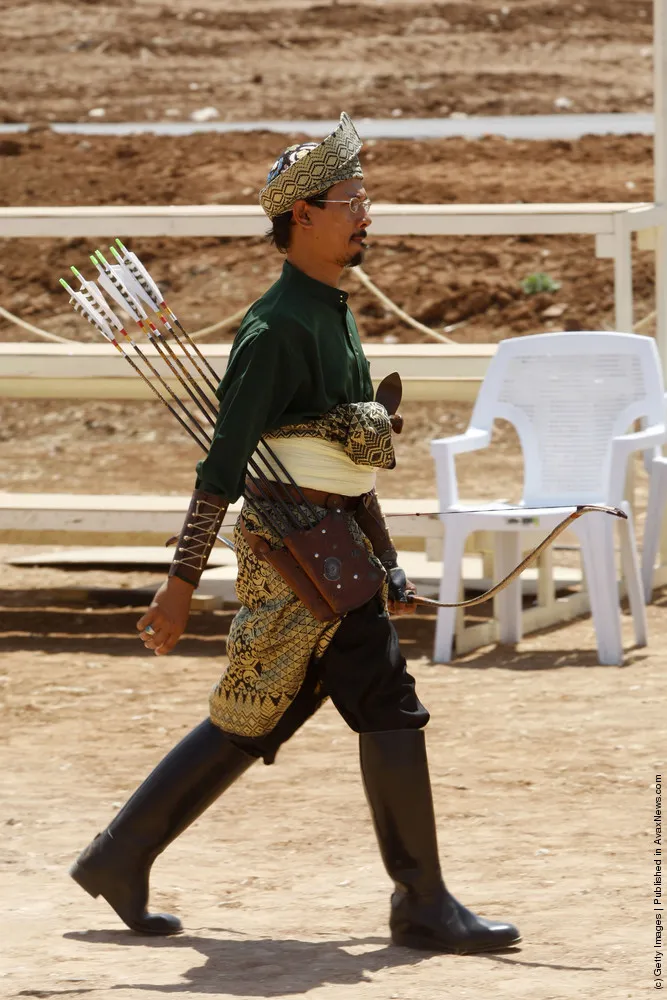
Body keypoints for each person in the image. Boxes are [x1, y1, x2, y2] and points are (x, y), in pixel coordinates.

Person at [69, 113, 520, 955]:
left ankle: (119, 855)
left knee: (259, 714)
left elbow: (352, 465)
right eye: (352, 198)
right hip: (291, 551)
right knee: (383, 699)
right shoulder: (273, 329)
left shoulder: (333, 313)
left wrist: (383, 559)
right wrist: (177, 585)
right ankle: (420, 902)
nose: (366, 213)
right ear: (303, 215)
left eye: (365, 196)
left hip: (335, 542)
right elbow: (221, 466)